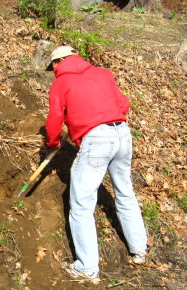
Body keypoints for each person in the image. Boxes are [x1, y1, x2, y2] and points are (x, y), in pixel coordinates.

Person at [45, 46, 147, 284]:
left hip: (97, 140)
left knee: (81, 202)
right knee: (125, 192)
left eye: (54, 65)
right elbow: (123, 105)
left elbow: (54, 119)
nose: (53, 71)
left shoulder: (61, 84)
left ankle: (87, 267)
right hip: (122, 134)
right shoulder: (103, 73)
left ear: (61, 60)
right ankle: (139, 249)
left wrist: (52, 142)